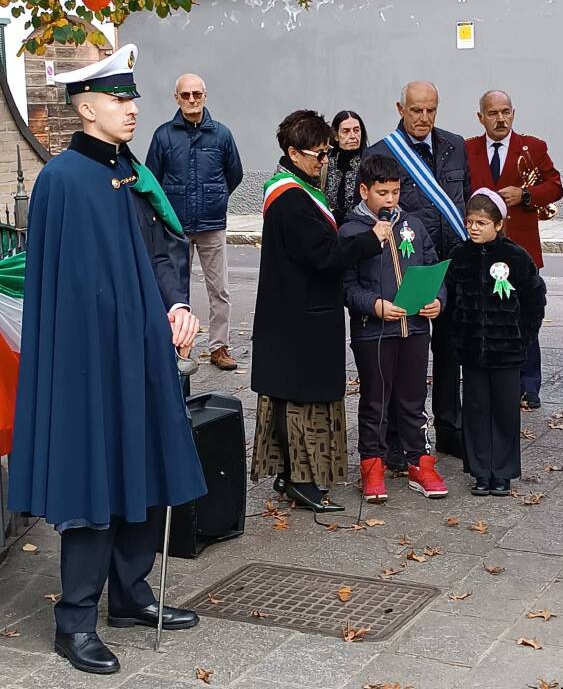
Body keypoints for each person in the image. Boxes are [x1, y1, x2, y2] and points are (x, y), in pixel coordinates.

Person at [8, 45, 207, 675]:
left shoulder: (128, 171)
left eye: (132, 97)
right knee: (94, 477)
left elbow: (162, 250)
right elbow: (65, 292)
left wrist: (176, 307)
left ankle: (130, 594)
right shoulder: (64, 180)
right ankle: (75, 620)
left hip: (143, 351)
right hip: (94, 363)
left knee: (143, 467)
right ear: (86, 107)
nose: (133, 107)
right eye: (120, 99)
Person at [250, 110, 389, 513]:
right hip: (301, 317)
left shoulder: (297, 189)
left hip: (297, 312)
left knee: (292, 397)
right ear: (294, 152)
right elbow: (323, 255)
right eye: (318, 154)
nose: (324, 161)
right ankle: (302, 479)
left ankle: (291, 473)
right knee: (302, 403)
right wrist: (370, 239)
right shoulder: (290, 197)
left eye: (327, 153)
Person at [369, 80, 470, 460]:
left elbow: (464, 199)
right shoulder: (383, 154)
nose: (424, 118)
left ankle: (449, 428)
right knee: (404, 357)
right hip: (405, 271)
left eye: (431, 110)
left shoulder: (454, 145)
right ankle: (398, 437)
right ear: (400, 108)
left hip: (450, 268)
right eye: (416, 110)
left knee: (450, 352)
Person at [339, 153, 448, 502]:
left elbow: (433, 267)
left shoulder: (412, 225)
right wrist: (374, 305)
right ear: (364, 191)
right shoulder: (352, 231)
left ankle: (420, 462)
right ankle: (372, 465)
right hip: (374, 331)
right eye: (382, 193)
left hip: (415, 328)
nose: (390, 200)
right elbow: (347, 286)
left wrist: (438, 299)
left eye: (395, 192)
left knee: (414, 399)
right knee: (376, 402)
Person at [445, 189, 546, 496]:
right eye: (470, 222)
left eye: (482, 223)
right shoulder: (458, 256)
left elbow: (534, 300)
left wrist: (522, 337)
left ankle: (501, 471)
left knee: (504, 410)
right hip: (473, 351)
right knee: (475, 410)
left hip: (507, 352)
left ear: (499, 225)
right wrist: (457, 337)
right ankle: (479, 470)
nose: (474, 228)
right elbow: (447, 301)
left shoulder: (516, 257)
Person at [466, 90, 563, 410]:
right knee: (486, 317)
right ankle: (490, 379)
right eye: (493, 113)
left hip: (521, 248)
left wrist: (524, 195)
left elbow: (555, 186)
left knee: (524, 315)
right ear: (481, 117)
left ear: (513, 113)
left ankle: (529, 384)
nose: (500, 119)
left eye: (506, 112)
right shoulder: (467, 149)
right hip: (481, 249)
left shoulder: (533, 147)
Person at [146, 73, 243, 371]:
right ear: (176, 98)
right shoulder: (163, 136)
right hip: (176, 227)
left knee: (220, 290)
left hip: (212, 224)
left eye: (196, 94)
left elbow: (234, 174)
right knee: (177, 290)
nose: (191, 100)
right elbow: (152, 178)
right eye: (185, 95)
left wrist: (216, 198)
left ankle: (219, 346)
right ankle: (177, 344)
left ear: (205, 96)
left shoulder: (222, 135)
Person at [325, 110, 368, 226]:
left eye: (356, 130)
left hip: (361, 225)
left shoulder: (369, 160)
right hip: (328, 224)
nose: (353, 136)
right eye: (346, 131)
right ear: (336, 136)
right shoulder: (325, 160)